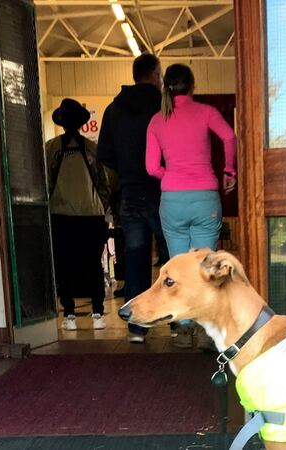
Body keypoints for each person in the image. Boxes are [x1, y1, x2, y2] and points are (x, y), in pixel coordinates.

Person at [145, 64, 237, 348]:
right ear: (192, 86)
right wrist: (228, 171)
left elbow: (150, 167)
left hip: (172, 201)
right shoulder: (206, 112)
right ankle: (207, 330)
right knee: (205, 267)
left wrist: (172, 177)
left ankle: (183, 330)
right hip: (204, 197)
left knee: (178, 268)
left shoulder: (157, 120)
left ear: (166, 87)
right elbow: (229, 137)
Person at [97, 54, 168, 343]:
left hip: (130, 193)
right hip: (162, 191)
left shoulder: (114, 109)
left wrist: (127, 172)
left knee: (136, 258)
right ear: (153, 74)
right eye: (160, 74)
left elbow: (104, 154)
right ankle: (177, 325)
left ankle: (137, 328)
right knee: (169, 259)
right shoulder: (163, 105)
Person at [46, 98, 115, 331]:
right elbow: (106, 182)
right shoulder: (92, 149)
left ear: (62, 123)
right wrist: (103, 207)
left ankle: (70, 315)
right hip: (92, 215)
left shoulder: (51, 148)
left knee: (63, 266)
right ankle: (97, 313)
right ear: (82, 123)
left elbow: (45, 181)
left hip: (60, 214)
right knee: (93, 264)